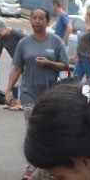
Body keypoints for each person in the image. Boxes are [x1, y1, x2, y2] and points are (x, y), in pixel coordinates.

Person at [12, 7, 68, 140]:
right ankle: (32, 159)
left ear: (48, 22)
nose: (37, 21)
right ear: (30, 20)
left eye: (41, 18)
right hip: (29, 92)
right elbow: (17, 68)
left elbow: (65, 66)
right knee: (32, 127)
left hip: (50, 93)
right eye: (34, 18)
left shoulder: (55, 41)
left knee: (47, 128)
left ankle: (46, 156)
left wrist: (49, 63)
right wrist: (8, 90)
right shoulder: (23, 43)